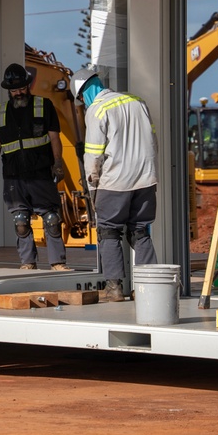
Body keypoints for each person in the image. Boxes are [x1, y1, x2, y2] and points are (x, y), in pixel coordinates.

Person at [71, 68, 159, 302]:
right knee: (140, 232)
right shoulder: (137, 102)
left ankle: (114, 288)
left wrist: (93, 187)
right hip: (145, 180)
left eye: (81, 98)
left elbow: (92, 156)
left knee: (109, 232)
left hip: (114, 182)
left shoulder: (96, 110)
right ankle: (149, 288)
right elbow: (153, 141)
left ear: (83, 93)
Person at [0, 63, 71, 271]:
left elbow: (54, 137)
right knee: (21, 221)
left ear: (28, 86)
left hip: (41, 172)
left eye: (21, 88)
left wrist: (58, 164)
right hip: (14, 176)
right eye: (14, 90)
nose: (18, 93)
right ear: (8, 90)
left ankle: (57, 262)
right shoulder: (1, 111)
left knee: (51, 218)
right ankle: (28, 262)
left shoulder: (44, 105)